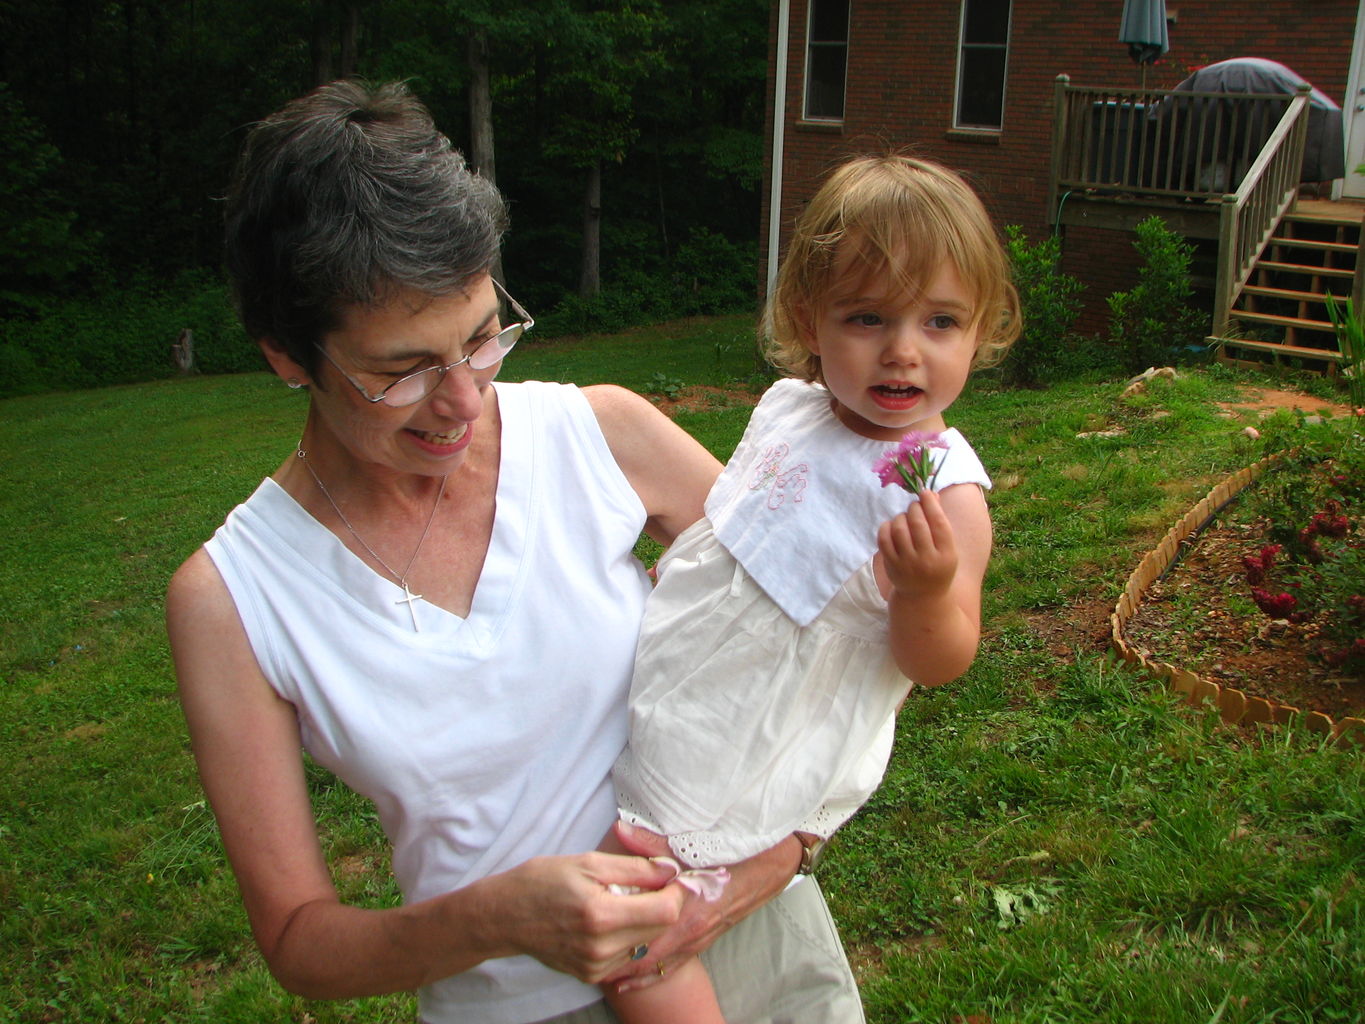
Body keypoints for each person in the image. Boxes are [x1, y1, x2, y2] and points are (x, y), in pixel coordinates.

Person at [165, 79, 865, 1024]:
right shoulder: (234, 600)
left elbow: (836, 645)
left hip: (754, 949)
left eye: (483, 335)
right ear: (288, 356)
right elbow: (298, 939)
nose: (462, 399)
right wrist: (496, 918)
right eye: (401, 370)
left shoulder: (604, 438)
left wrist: (766, 870)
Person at [602, 154, 1021, 1023]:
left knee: (638, 925)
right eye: (867, 317)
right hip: (681, 688)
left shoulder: (940, 491)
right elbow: (735, 524)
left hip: (745, 745)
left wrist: (924, 592)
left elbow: (941, 660)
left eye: (940, 321)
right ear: (808, 318)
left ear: (981, 331)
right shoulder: (792, 406)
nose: (903, 349)